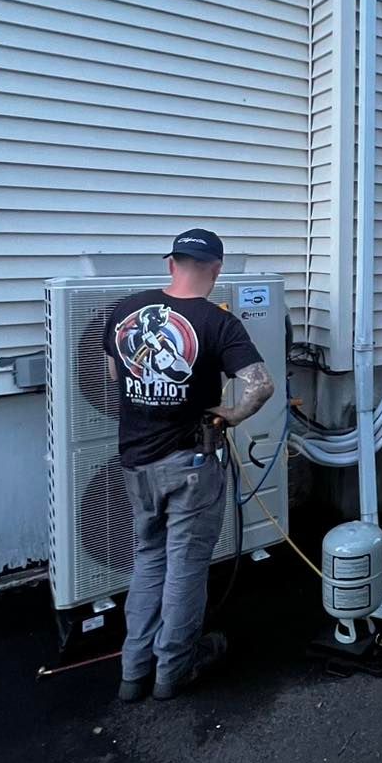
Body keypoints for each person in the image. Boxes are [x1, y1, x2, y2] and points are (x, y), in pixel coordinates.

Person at [103, 229, 275, 702]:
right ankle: (173, 671)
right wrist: (228, 415)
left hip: (136, 462)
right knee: (185, 568)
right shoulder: (217, 322)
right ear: (216, 271)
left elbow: (116, 377)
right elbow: (260, 386)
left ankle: (133, 671)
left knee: (148, 560)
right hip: (191, 465)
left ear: (170, 264)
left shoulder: (124, 310)